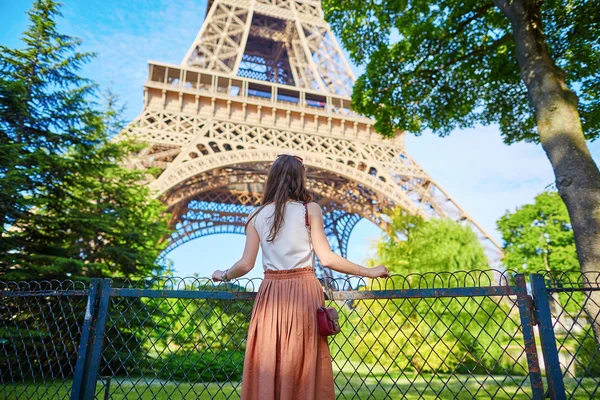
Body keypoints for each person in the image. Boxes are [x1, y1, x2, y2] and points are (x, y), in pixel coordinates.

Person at [212, 154, 389, 400]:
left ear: (272, 179)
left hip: (271, 294)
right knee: (302, 360)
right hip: (304, 292)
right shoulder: (310, 210)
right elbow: (327, 259)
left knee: (269, 358)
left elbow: (245, 264)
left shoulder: (256, 216)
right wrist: (369, 271)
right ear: (300, 179)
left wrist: (224, 275)